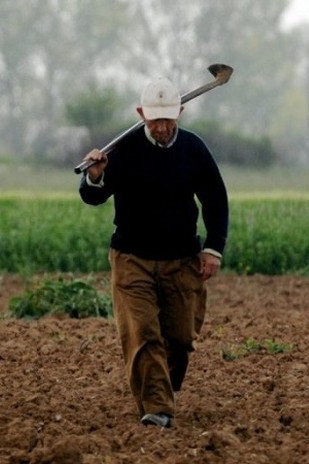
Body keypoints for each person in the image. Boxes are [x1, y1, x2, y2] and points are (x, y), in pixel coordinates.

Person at [78, 76, 229, 428]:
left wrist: (213, 249)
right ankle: (158, 408)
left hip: (181, 260)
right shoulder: (122, 151)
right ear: (140, 113)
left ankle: (160, 390)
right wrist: (95, 176)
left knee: (178, 339)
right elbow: (92, 196)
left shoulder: (194, 150)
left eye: (168, 119)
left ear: (180, 111)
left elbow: (216, 201)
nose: (162, 128)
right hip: (132, 259)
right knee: (142, 333)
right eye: (154, 119)